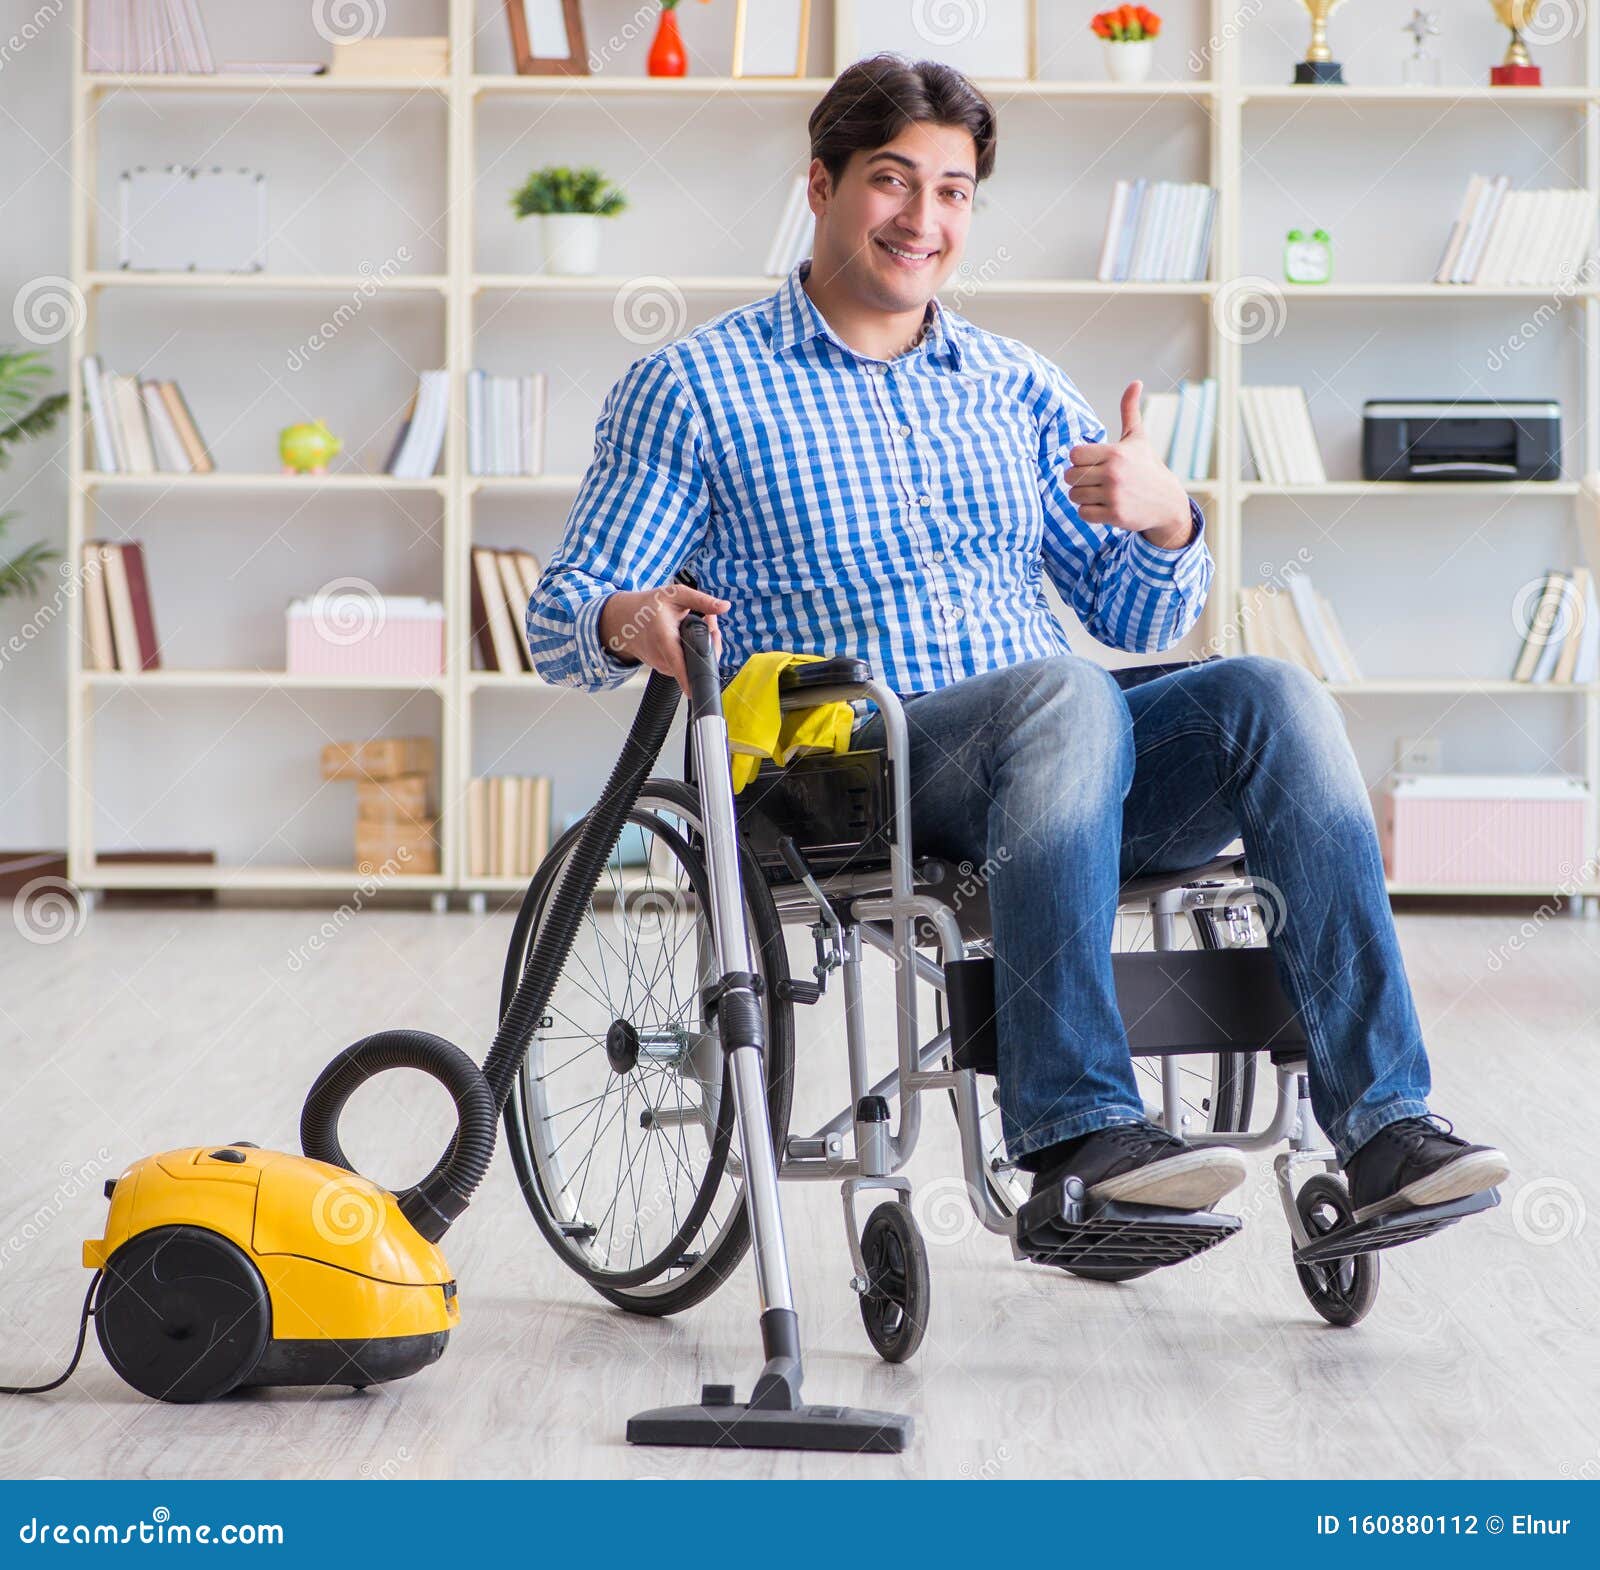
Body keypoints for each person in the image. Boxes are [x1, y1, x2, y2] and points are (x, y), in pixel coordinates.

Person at [526, 55, 1509, 1241]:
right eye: (893, 183)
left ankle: (1387, 1127)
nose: (923, 220)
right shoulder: (692, 389)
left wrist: (1163, 517)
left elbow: (1139, 622)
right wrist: (633, 619)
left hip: (1060, 773)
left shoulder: (1018, 387)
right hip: (854, 773)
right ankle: (1076, 1134)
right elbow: (561, 613)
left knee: (1269, 692)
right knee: (1063, 696)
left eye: (952, 192)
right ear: (820, 184)